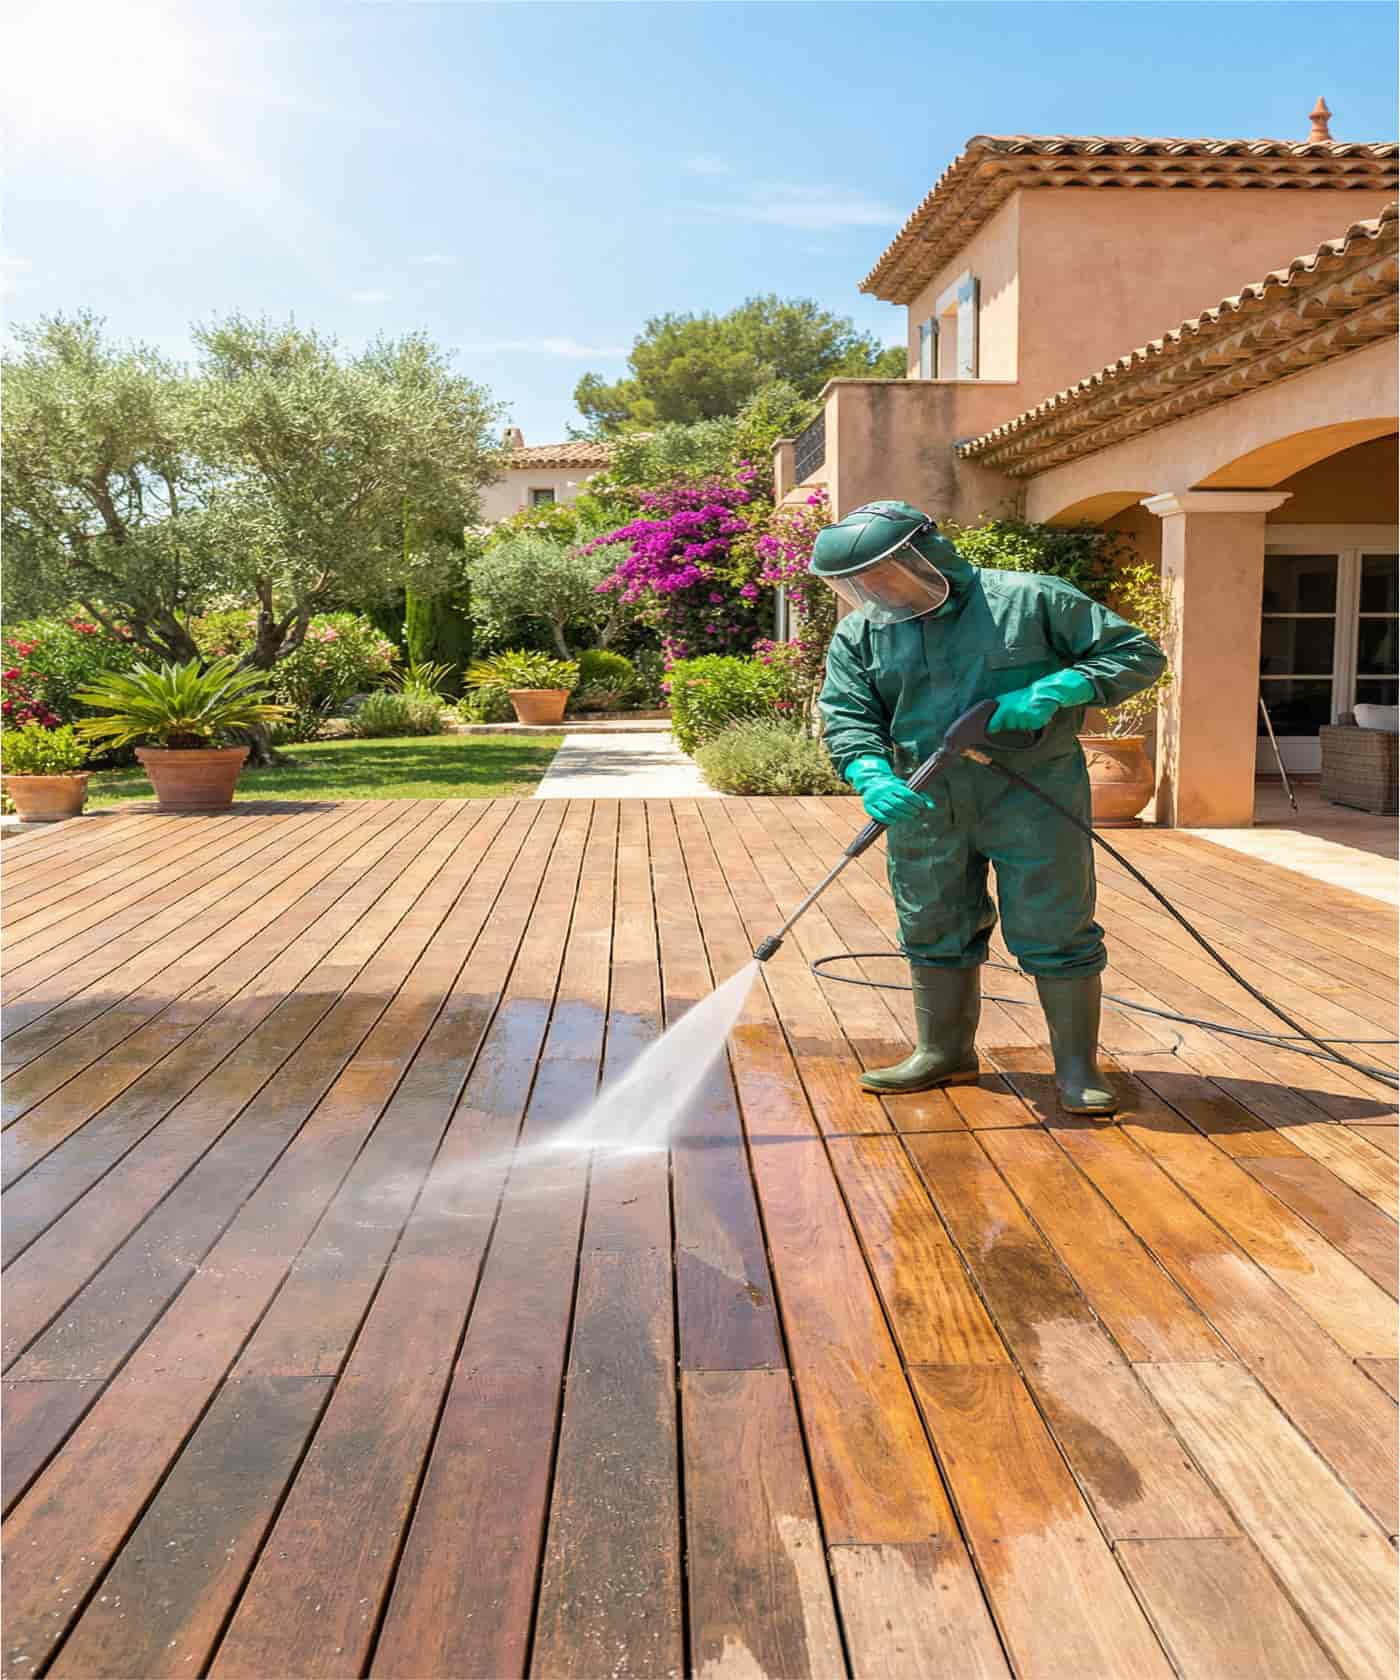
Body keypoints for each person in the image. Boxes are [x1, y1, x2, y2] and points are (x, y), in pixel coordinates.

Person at [810, 500, 1165, 1114]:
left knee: (1054, 924)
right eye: (858, 583)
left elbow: (1136, 654)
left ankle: (1077, 1069)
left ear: (925, 554)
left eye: (881, 573)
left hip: (1033, 794)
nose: (871, 590)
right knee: (932, 920)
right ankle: (943, 1052)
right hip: (923, 800)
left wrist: (1057, 688)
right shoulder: (864, 630)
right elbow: (848, 711)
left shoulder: (1031, 601)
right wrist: (868, 771)